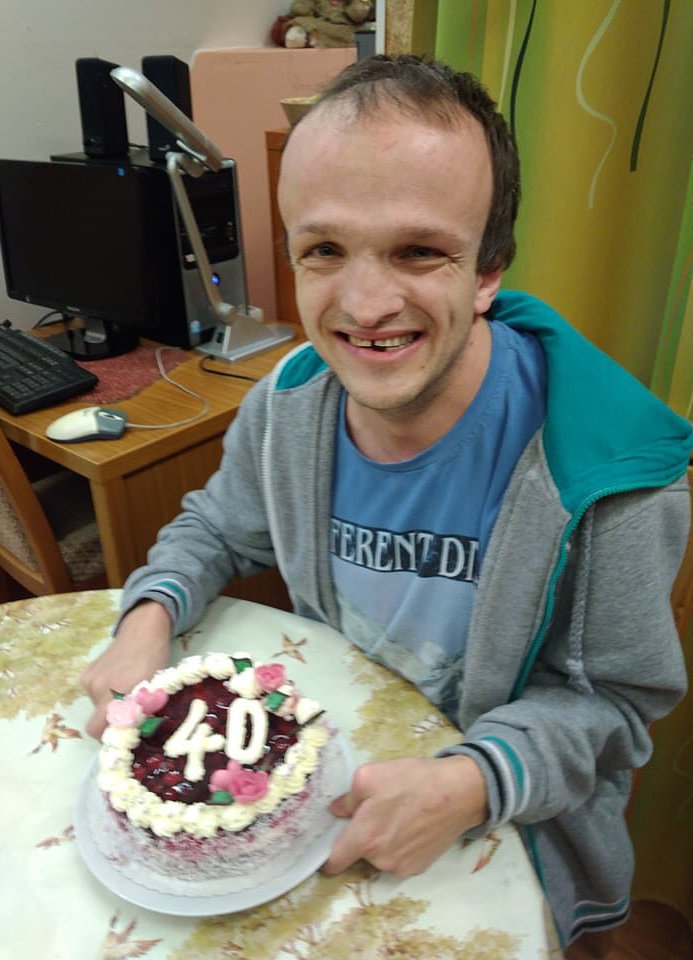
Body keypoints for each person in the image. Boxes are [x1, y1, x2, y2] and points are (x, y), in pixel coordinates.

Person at [81, 55, 692, 947]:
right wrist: (149, 615)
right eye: (325, 250)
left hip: (513, 826)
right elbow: (217, 525)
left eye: (419, 251)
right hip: (324, 793)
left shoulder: (613, 475)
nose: (365, 306)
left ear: (487, 271)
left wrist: (473, 782)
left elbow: (615, 706)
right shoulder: (287, 405)